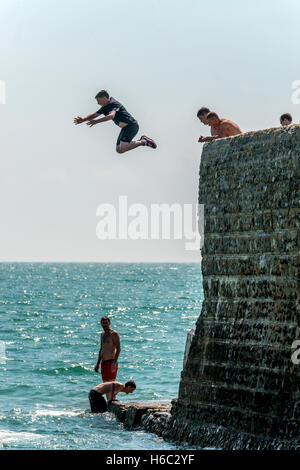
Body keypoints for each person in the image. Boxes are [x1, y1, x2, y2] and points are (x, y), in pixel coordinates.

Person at [74, 90, 157, 154]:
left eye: (98, 101)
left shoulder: (113, 104)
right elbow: (94, 115)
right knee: (119, 150)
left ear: (104, 98)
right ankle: (143, 141)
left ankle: (144, 141)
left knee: (123, 147)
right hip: (125, 128)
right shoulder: (105, 107)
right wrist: (83, 120)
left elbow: (111, 116)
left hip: (131, 126)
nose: (98, 103)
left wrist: (96, 122)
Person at [94, 316, 121, 382]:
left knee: (111, 385)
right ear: (101, 324)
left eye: (106, 323)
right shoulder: (102, 334)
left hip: (111, 362)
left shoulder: (114, 334)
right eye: (103, 323)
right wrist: (98, 364)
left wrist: (114, 363)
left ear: (109, 323)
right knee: (105, 385)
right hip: (103, 363)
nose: (105, 325)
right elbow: (101, 349)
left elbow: (118, 349)